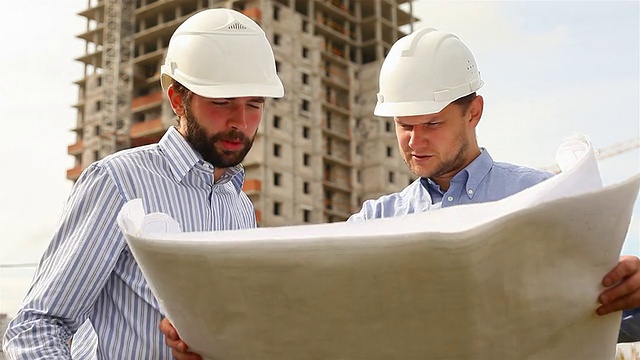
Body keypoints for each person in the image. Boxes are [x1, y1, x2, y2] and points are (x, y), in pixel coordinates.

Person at [160, 26, 640, 359]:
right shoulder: (375, 222)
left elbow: (608, 315)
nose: (415, 141)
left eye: (432, 124)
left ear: (474, 112)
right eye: (404, 126)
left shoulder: (547, 197)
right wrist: (209, 327)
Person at [2, 8, 284, 359]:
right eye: (221, 102)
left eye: (254, 105)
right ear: (179, 100)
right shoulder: (117, 181)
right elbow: (37, 327)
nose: (240, 122)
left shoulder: (239, 205)